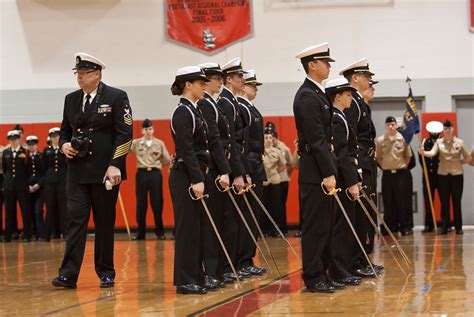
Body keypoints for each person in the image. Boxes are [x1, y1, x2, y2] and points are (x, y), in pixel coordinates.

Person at [52, 52, 133, 289]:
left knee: (104, 223)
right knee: (75, 222)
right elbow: (65, 130)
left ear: (96, 74)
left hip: (105, 173)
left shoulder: (116, 97)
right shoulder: (71, 99)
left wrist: (115, 164)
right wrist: (63, 145)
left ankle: (106, 272)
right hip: (77, 173)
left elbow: (125, 134)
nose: (78, 77)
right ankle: (68, 274)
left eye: (83, 73)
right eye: (77, 73)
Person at [293, 43, 339, 293]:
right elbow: (316, 138)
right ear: (312, 64)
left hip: (322, 166)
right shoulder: (306, 96)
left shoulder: (318, 93)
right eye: (325, 62)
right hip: (315, 171)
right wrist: (328, 172)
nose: (329, 66)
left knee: (327, 225)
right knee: (315, 226)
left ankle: (323, 271)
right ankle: (313, 276)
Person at [169, 66, 210, 294]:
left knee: (197, 228)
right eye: (200, 83)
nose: (204, 87)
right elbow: (186, 149)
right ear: (188, 85)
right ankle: (185, 280)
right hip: (185, 175)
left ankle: (196, 274)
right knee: (187, 229)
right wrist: (197, 178)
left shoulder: (194, 110)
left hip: (194, 173)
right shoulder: (182, 112)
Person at [340, 58, 381, 277]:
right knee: (359, 215)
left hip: (367, 162)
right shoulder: (353, 102)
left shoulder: (359, 102)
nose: (369, 80)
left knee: (366, 215)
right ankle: (357, 260)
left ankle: (364, 259)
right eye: (366, 76)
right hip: (360, 163)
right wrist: (355, 164)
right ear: (355, 78)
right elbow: (351, 136)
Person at [197, 62, 232, 289]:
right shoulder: (205, 104)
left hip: (218, 168)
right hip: (211, 171)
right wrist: (224, 171)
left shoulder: (213, 103)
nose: (220, 81)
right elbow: (213, 140)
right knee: (209, 225)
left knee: (219, 222)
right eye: (216, 78)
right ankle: (209, 271)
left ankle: (216, 269)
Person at [325, 77, 362, 287]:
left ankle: (344, 267)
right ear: (337, 96)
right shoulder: (336, 119)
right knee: (341, 228)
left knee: (346, 227)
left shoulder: (342, 117)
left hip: (348, 176)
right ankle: (339, 271)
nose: (351, 97)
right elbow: (341, 155)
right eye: (347, 94)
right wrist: (351, 182)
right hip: (341, 180)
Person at [217, 58, 250, 283]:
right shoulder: (226, 103)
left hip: (238, 160)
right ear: (229, 79)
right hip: (231, 163)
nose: (243, 80)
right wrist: (236, 172)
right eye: (239, 76)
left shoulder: (234, 102)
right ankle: (227, 265)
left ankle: (235, 263)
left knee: (236, 219)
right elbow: (228, 141)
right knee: (229, 220)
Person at [236, 69, 267, 276]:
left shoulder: (250, 108)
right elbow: (242, 143)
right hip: (249, 164)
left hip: (256, 164)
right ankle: (242, 260)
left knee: (253, 215)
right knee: (246, 215)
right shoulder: (241, 108)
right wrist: (244, 170)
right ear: (243, 86)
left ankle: (248, 257)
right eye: (252, 85)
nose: (255, 89)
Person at [420, 119, 471, 234]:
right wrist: (423, 152)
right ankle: (444, 227)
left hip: (457, 175)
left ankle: (458, 227)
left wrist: (460, 162)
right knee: (445, 202)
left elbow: (468, 157)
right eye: (445, 128)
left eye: (449, 128)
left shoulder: (460, 142)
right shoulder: (439, 142)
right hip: (443, 175)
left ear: (453, 129)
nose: (447, 130)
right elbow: (432, 153)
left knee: (456, 201)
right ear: (443, 130)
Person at [130, 119, 170, 240]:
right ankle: (140, 233)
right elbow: (126, 147)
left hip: (155, 174)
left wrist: (158, 164)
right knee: (141, 204)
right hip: (141, 174)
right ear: (142, 131)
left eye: (150, 129)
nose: (148, 131)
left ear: (153, 129)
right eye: (146, 129)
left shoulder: (159, 143)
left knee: (157, 203)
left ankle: (160, 232)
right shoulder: (137, 143)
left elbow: (167, 159)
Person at [375, 116, 413, 235]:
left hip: (401, 174)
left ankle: (405, 226)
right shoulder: (380, 140)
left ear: (396, 125)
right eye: (388, 125)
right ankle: (390, 227)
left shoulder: (403, 139)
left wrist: (402, 166)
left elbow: (408, 156)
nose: (391, 126)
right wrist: (386, 166)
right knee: (388, 201)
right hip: (387, 175)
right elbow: (378, 157)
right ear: (385, 126)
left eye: (393, 124)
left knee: (402, 201)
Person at [1, 130, 32, 242]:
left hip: (22, 186)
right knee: (9, 212)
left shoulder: (26, 152)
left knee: (25, 211)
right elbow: (5, 169)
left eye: (15, 139)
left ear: (19, 139)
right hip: (9, 186)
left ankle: (27, 235)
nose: (13, 142)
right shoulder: (6, 152)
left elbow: (28, 169)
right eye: (11, 140)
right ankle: (8, 235)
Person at [42, 127, 68, 241]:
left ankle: (66, 234)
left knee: (63, 208)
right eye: (53, 136)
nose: (55, 138)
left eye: (57, 136)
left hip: (62, 181)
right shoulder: (46, 150)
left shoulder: (64, 149)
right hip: (50, 182)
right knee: (50, 207)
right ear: (50, 138)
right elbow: (43, 167)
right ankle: (47, 235)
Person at [262, 128, 287, 236]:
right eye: (266, 137)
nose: (268, 140)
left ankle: (276, 230)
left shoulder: (277, 151)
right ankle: (264, 229)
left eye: (270, 138)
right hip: (264, 181)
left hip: (275, 181)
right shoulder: (260, 151)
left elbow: (282, 166)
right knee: (264, 206)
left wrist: (275, 172)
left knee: (276, 206)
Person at [419, 121, 443, 233]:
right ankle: (429, 225)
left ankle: (445, 224)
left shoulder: (443, 142)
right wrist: (426, 170)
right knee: (428, 201)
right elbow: (421, 160)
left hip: (441, 175)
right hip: (428, 176)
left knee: (444, 200)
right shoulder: (425, 142)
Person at [272, 130, 291, 235]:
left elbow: (290, 164)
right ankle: (272, 229)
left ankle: (283, 229)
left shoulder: (284, 148)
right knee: (273, 206)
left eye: (272, 138)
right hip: (271, 182)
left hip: (282, 179)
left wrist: (287, 175)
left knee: (281, 206)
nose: (271, 140)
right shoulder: (265, 149)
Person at [25, 135, 44, 240]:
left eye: (33, 144)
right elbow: (23, 173)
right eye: (29, 145)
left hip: (39, 189)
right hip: (28, 189)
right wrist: (28, 186)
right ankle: (32, 233)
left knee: (38, 211)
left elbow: (44, 173)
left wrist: (38, 184)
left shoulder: (41, 157)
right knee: (29, 211)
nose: (31, 146)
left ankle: (40, 233)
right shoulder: (25, 158)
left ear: (37, 145)